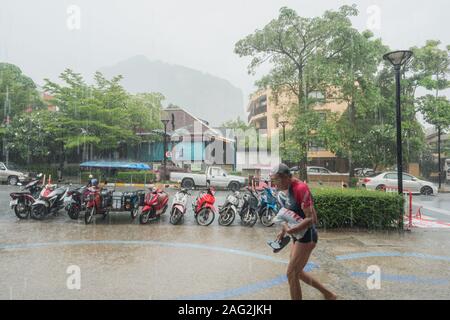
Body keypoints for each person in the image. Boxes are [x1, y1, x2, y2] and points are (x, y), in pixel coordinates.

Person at [270, 163, 336, 300]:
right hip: (297, 236)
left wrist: (294, 229)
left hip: (308, 236)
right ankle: (328, 294)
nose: (275, 185)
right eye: (273, 181)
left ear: (287, 177)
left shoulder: (301, 188)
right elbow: (288, 214)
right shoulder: (283, 190)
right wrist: (284, 231)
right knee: (297, 272)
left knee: (291, 273)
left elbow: (312, 218)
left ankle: (328, 294)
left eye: (276, 180)